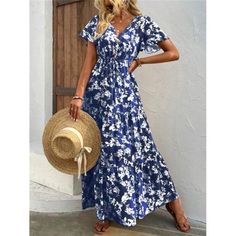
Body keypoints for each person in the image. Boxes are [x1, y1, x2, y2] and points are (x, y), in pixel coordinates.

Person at [69, 0, 191, 234]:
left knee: (143, 148)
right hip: (98, 96)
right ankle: (105, 210)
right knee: (103, 153)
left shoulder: (142, 24)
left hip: (125, 97)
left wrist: (140, 60)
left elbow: (173, 53)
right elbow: (89, 63)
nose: (105, 2)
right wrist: (78, 96)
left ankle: (173, 202)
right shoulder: (97, 23)